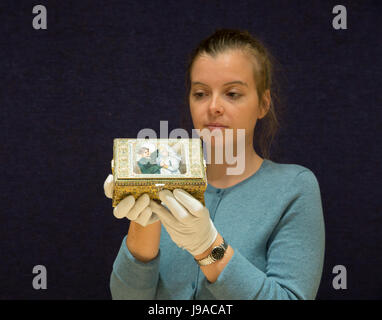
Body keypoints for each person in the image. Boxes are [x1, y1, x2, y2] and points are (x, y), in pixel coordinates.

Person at [103, 28, 325, 300]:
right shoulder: (164, 175)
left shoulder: (294, 187)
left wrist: (208, 246)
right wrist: (144, 222)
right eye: (201, 93)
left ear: (263, 104)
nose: (214, 107)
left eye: (232, 93)